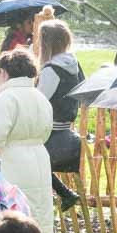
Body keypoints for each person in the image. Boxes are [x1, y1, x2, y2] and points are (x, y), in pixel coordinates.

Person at [0, 49, 55, 233]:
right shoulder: (40, 97)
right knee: (37, 219)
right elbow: (47, 131)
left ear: (3, 72)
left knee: (12, 221)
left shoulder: (6, 98)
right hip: (39, 159)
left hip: (12, 161)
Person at [37, 20, 86, 213]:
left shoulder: (51, 70)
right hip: (66, 124)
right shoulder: (74, 64)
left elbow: (39, 100)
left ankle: (65, 193)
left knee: (35, 163)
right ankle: (65, 193)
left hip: (51, 127)